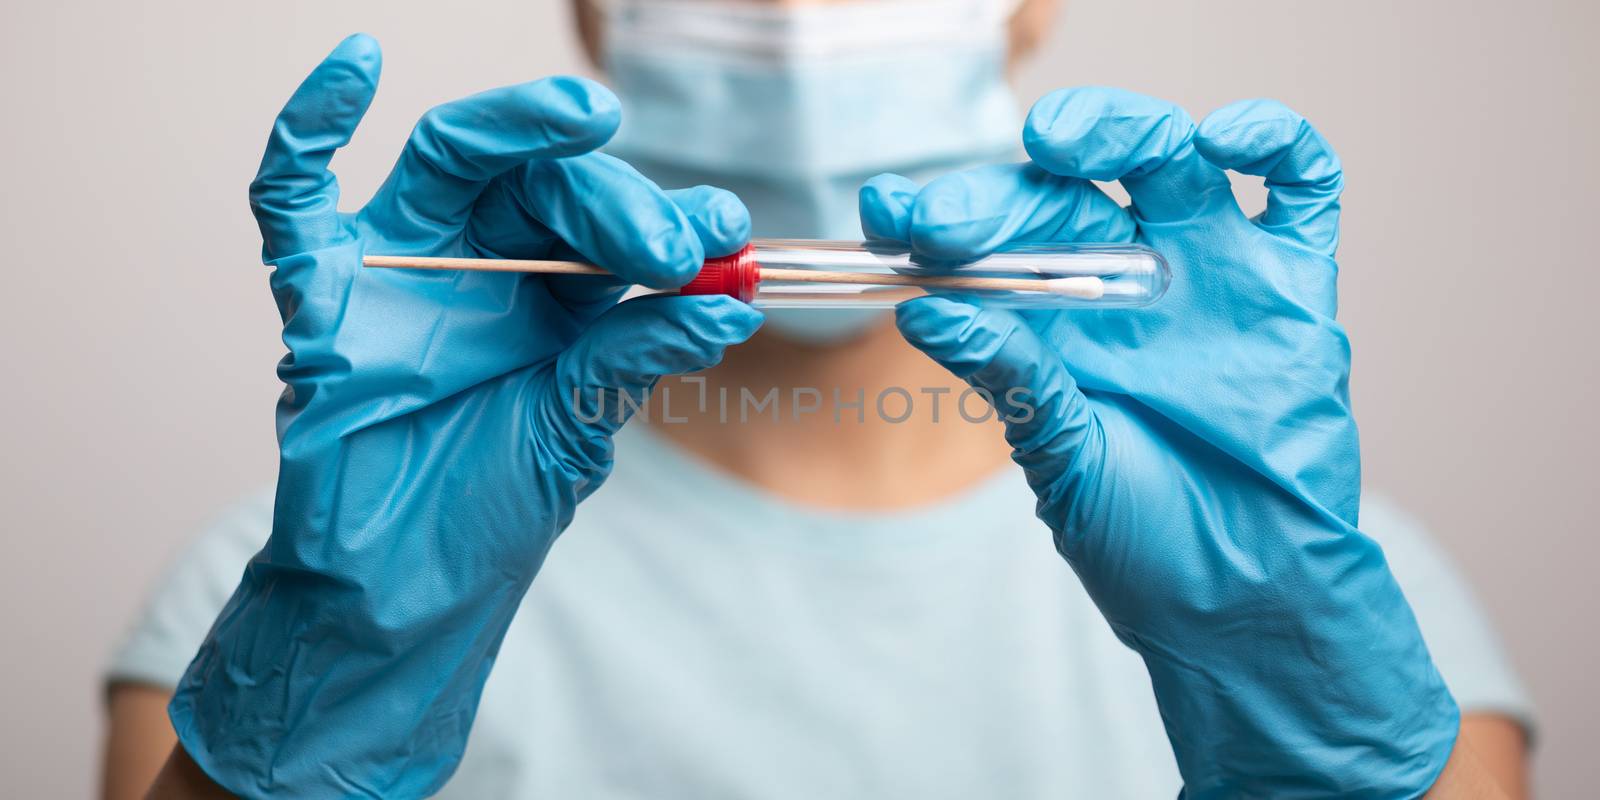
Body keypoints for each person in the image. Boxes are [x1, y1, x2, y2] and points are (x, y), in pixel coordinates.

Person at [101, 0, 1535, 797]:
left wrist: (1311, 731)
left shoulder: (1360, 608)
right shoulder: (274, 598)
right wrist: (332, 678)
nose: (794, 21)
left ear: (1025, 5)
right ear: (597, 10)